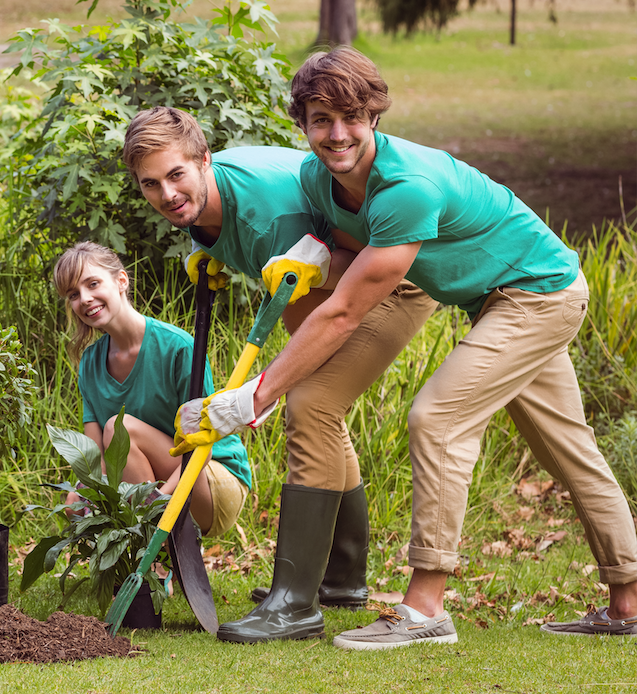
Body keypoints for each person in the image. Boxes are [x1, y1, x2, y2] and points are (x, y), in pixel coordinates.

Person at [175, 46, 637, 647]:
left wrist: (252, 397)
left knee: (436, 419)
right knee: (569, 450)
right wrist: (309, 258)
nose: (336, 134)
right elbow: (345, 258)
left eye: (350, 117)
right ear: (304, 124)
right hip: (492, 300)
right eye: (320, 120)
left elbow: (343, 315)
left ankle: (424, 612)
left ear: (374, 116)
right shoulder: (320, 178)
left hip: (539, 293)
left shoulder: (407, 187)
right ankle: (628, 605)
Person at [122, 106, 437, 643]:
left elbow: (335, 299)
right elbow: (231, 226)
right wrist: (210, 247)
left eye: (176, 175)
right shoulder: (213, 202)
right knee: (321, 409)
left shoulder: (271, 223)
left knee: (310, 404)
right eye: (150, 184)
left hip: (387, 283)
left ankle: (293, 604)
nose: (168, 194)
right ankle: (340, 580)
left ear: (204, 160)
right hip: (323, 281)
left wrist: (253, 397)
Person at [52, 242, 251, 540]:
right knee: (76, 499)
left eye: (93, 284)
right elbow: (97, 459)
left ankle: (160, 554)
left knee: (120, 429)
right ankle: (148, 554)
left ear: (121, 281)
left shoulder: (178, 347)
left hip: (209, 479)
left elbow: (203, 447)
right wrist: (81, 494)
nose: (85, 299)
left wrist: (158, 504)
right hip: (151, 485)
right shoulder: (90, 364)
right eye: (73, 294)